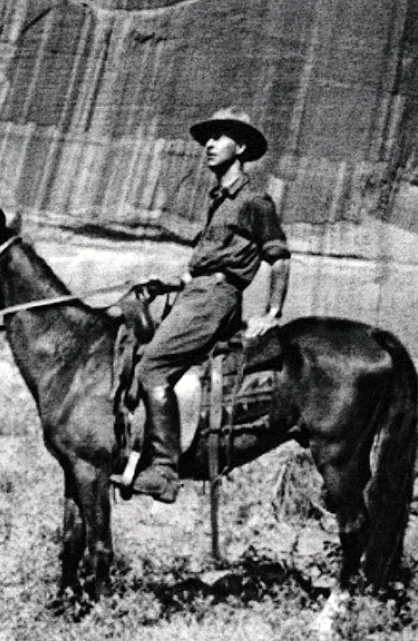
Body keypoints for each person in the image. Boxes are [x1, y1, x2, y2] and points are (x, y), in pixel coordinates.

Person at [112, 108, 291, 504]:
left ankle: (163, 470)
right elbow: (211, 262)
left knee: (152, 367)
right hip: (199, 292)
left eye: (220, 137)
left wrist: (272, 312)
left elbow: (278, 257)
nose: (209, 145)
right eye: (206, 138)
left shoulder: (254, 200)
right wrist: (173, 282)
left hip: (215, 300)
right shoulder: (219, 200)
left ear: (240, 147)